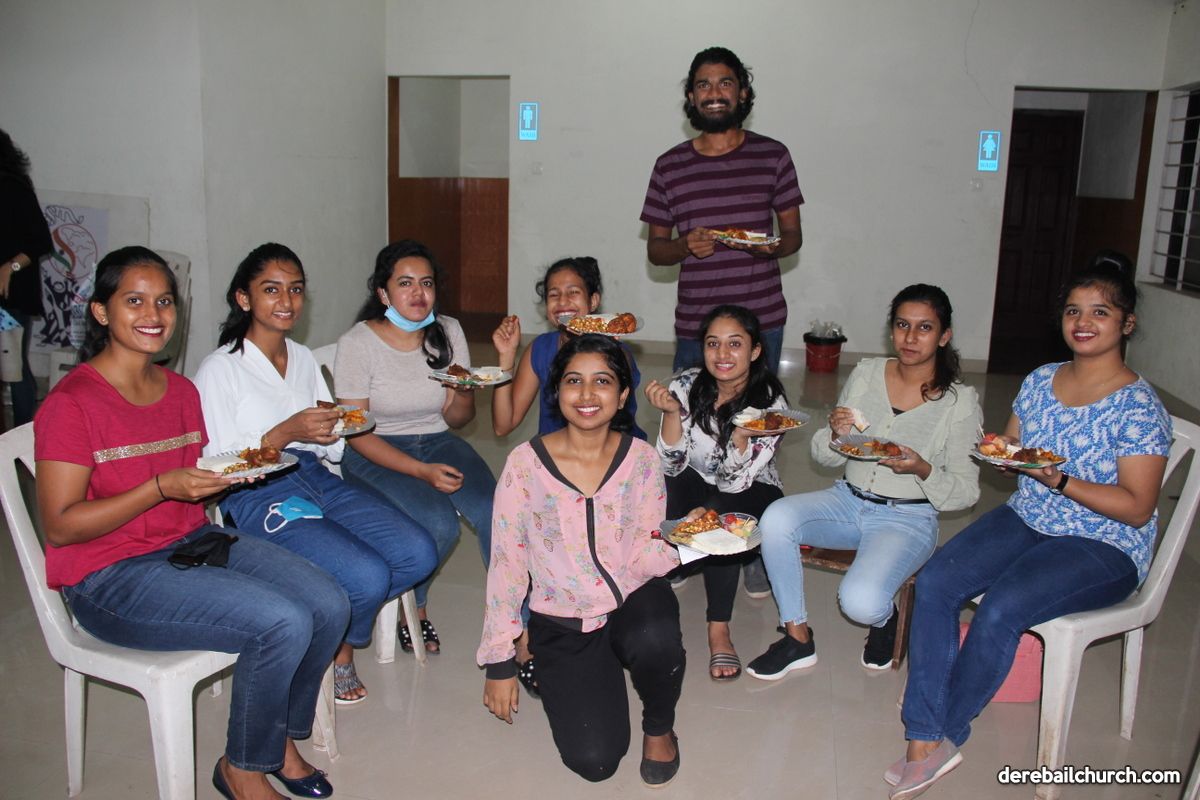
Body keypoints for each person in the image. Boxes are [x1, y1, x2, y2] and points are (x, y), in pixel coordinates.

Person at [34, 246, 350, 800]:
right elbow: (61, 527)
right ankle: (242, 770)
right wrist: (158, 488)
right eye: (134, 301)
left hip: (190, 540)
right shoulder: (72, 404)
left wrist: (233, 473)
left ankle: (272, 737)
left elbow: (202, 475)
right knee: (281, 621)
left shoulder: (180, 391)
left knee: (329, 601)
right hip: (108, 574)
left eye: (164, 301)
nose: (153, 314)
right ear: (102, 312)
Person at [888, 260, 1170, 800]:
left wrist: (1058, 479)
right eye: (1073, 311)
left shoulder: (1138, 407)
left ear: (1127, 323)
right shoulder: (1041, 379)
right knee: (937, 580)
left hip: (1104, 544)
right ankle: (925, 727)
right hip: (1030, 515)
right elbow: (1014, 449)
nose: (1083, 323)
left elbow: (1137, 508)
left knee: (1002, 607)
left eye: (1100, 312)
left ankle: (939, 734)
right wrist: (1004, 456)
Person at [194, 242, 437, 705]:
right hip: (258, 493)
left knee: (417, 551)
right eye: (271, 290)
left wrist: (329, 428)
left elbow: (322, 441)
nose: (286, 301)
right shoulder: (220, 369)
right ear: (244, 298)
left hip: (313, 475)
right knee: (366, 574)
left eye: (295, 289)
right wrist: (285, 432)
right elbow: (219, 466)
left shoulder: (301, 357)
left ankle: (335, 633)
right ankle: (340, 651)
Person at [745, 285, 982, 681]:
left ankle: (886, 619)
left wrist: (922, 468)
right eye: (902, 325)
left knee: (859, 603)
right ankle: (797, 637)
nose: (911, 337)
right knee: (775, 518)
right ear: (892, 330)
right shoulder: (869, 372)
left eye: (925, 328)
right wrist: (836, 434)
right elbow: (826, 457)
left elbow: (967, 492)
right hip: (847, 500)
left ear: (944, 336)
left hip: (907, 518)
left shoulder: (960, 401)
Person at [479, 334, 684, 787]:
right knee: (595, 762)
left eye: (602, 381)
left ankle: (659, 727)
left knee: (654, 637)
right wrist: (499, 660)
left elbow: (647, 551)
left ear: (623, 394)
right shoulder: (525, 465)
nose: (587, 394)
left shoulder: (642, 460)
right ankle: (573, 662)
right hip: (563, 618)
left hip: (632, 597)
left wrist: (690, 542)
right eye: (574, 381)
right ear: (556, 391)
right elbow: (507, 564)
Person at [336, 239, 495, 655]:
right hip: (374, 449)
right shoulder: (358, 343)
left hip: (437, 439)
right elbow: (356, 434)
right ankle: (415, 608)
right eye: (405, 283)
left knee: (496, 509)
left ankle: (516, 620)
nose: (418, 293)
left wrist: (463, 391)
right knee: (439, 525)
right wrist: (421, 472)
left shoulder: (448, 331)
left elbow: (457, 419)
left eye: (426, 283)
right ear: (383, 293)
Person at [643, 304, 787, 681]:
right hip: (698, 481)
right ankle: (686, 556)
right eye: (713, 343)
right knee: (657, 488)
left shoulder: (771, 406)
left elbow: (733, 484)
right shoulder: (686, 385)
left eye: (735, 344)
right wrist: (671, 414)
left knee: (720, 523)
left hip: (752, 488)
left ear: (755, 350)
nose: (722, 354)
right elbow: (670, 465)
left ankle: (718, 628)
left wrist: (740, 437)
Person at [640, 46, 803, 375]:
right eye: (703, 85)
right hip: (697, 326)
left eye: (725, 83)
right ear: (692, 96)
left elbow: (793, 236)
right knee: (690, 408)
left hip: (761, 321)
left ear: (742, 93)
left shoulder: (774, 156)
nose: (714, 94)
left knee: (759, 408)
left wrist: (771, 247)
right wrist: (684, 245)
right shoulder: (668, 166)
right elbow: (656, 251)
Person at [490, 255, 647, 440]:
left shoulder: (616, 351)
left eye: (573, 292)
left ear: (593, 301)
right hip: (556, 450)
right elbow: (503, 426)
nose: (562, 301)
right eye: (553, 294)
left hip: (611, 451)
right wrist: (506, 356)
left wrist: (599, 344)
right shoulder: (540, 349)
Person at [0, 129, 53, 427]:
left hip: (12, 294)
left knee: (14, 367)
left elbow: (41, 241)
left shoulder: (14, 188)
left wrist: (11, 267)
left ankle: (23, 433)